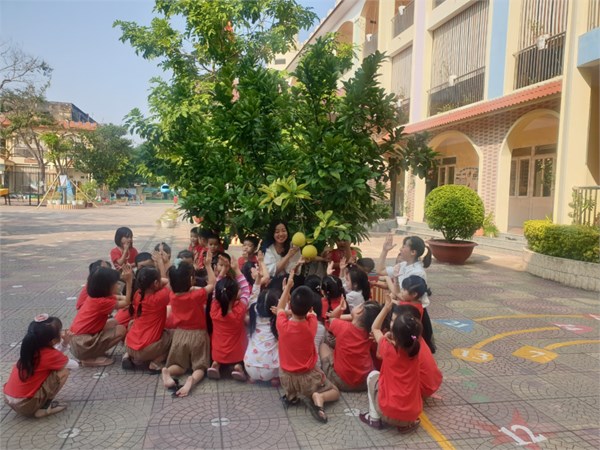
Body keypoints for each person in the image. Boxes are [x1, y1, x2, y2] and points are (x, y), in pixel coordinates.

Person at [276, 273, 340, 423]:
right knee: (335, 392)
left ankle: (291, 396)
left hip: (286, 377)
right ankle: (319, 397)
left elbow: (280, 308)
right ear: (310, 308)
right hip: (308, 378)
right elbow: (311, 314)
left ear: (291, 306)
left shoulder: (282, 325)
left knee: (287, 373)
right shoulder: (312, 325)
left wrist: (287, 288)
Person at [359, 296, 422, 434]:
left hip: (388, 413)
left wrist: (386, 308)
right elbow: (407, 342)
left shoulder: (387, 347)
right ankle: (405, 425)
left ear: (395, 334)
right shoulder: (416, 349)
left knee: (372, 375)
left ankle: (373, 418)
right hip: (412, 415)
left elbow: (375, 328)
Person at [3, 315, 78, 418]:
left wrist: (64, 343)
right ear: (53, 341)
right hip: (25, 405)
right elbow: (74, 365)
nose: (61, 333)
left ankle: (38, 403)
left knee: (53, 367)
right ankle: (44, 408)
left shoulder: (30, 351)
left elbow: (53, 358)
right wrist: (65, 344)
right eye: (59, 331)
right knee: (63, 371)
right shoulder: (49, 355)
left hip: (10, 399)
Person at [162, 255, 215, 397]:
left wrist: (166, 263)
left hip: (180, 335)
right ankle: (192, 380)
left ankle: (167, 371)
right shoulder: (196, 295)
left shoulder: (172, 295)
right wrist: (208, 265)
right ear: (191, 280)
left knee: (179, 366)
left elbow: (173, 283)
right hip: (198, 335)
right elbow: (212, 284)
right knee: (200, 367)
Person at [377, 234, 435, 353]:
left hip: (412, 312)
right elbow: (380, 270)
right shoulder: (403, 265)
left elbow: (403, 296)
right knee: (404, 342)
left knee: (411, 343)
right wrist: (384, 250)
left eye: (404, 246)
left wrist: (390, 281)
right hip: (403, 307)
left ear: (413, 252)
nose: (401, 249)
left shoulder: (417, 272)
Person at [69, 266, 133, 367]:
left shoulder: (96, 297)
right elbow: (126, 302)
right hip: (82, 344)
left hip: (76, 341)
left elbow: (122, 298)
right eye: (116, 283)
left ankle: (90, 353)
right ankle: (89, 358)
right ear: (106, 287)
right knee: (121, 330)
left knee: (113, 322)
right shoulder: (102, 302)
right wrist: (129, 281)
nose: (118, 285)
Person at [320, 300, 381, 391]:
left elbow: (331, 318)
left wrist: (340, 309)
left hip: (341, 382)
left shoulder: (342, 326)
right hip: (364, 382)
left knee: (323, 346)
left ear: (359, 311)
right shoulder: (371, 334)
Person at [123, 261, 171, 373]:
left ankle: (127, 355)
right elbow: (170, 282)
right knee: (172, 335)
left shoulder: (138, 294)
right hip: (146, 350)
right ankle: (155, 362)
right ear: (155, 283)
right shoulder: (159, 297)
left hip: (129, 345)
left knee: (132, 323)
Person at [208, 261, 250, 381]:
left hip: (217, 352)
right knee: (239, 359)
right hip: (237, 353)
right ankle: (238, 367)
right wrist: (236, 269)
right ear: (236, 294)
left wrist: (222, 271)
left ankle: (215, 364)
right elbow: (246, 290)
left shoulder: (214, 308)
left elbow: (216, 290)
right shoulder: (239, 310)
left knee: (217, 358)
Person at [243, 289, 280, 384]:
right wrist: (286, 290)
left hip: (249, 366)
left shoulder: (253, 311)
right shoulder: (277, 317)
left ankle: (253, 377)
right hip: (271, 369)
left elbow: (253, 298)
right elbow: (286, 306)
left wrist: (258, 281)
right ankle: (275, 378)